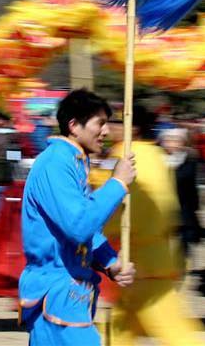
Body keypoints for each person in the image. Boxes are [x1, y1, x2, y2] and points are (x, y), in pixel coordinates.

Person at [19, 88, 137, 346]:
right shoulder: (55, 164)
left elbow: (84, 231)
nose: (106, 132)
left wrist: (111, 263)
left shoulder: (73, 162)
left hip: (71, 292)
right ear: (74, 125)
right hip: (57, 290)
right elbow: (78, 225)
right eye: (100, 123)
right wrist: (117, 183)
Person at [101, 105, 205, 346]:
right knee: (119, 327)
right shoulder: (152, 154)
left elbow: (140, 205)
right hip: (144, 257)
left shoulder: (130, 156)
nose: (109, 129)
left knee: (175, 332)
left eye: (116, 123)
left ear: (133, 128)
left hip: (143, 261)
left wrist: (100, 228)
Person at [160, 126, 202, 266]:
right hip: (160, 211)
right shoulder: (155, 161)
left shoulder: (189, 162)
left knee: (181, 249)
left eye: (175, 140)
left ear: (182, 142)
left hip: (182, 212)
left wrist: (195, 210)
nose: (171, 143)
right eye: (168, 139)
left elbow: (192, 189)